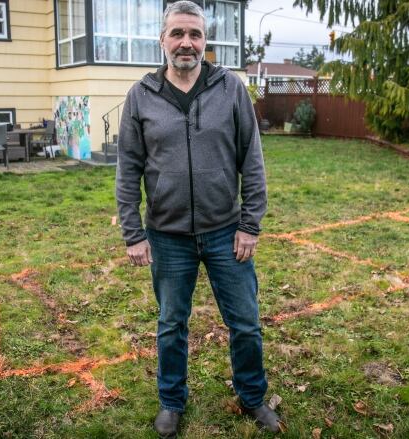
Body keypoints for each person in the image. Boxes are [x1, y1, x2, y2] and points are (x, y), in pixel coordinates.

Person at [115, 1, 280, 437]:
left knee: (245, 322)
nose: (186, 42)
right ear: (163, 40)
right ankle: (171, 401)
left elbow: (253, 161)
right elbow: (128, 169)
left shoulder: (230, 89)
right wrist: (133, 232)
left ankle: (252, 397)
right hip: (167, 237)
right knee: (171, 325)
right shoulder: (140, 96)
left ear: (204, 41)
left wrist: (249, 224)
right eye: (177, 34)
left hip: (227, 231)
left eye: (195, 34)